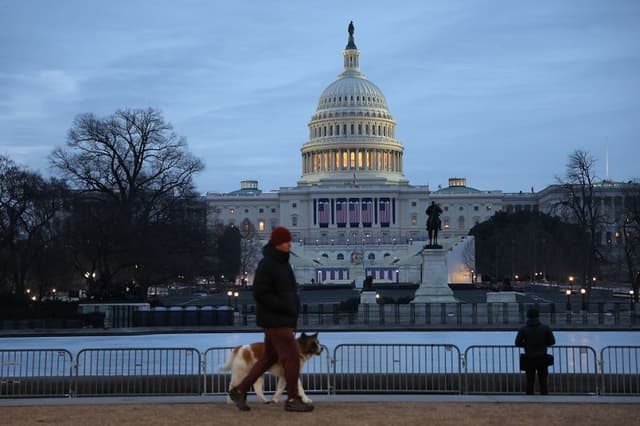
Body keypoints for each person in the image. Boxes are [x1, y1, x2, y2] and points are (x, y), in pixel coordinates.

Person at [228, 226, 313, 412]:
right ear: (277, 243)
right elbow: (260, 292)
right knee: (292, 357)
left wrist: (292, 316)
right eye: (285, 241)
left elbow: (290, 293)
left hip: (282, 319)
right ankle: (292, 398)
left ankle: (239, 390)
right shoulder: (267, 264)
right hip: (275, 320)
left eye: (289, 240)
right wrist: (284, 308)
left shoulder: (283, 263)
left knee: (268, 358)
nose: (289, 243)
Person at [515, 307, 556, 395]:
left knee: (529, 380)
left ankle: (529, 398)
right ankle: (544, 398)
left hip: (529, 357)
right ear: (538, 316)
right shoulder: (545, 328)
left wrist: (526, 345)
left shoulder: (523, 329)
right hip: (542, 357)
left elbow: (517, 342)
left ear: (527, 317)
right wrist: (543, 344)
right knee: (543, 381)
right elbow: (552, 341)